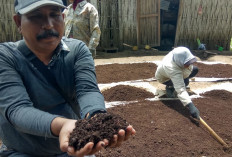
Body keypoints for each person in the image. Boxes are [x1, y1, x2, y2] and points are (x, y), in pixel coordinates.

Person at [0, 0, 135, 157]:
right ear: (18, 22)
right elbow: (17, 110)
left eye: (54, 14)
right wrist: (63, 125)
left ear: (63, 17)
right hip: (22, 152)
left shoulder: (77, 50)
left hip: (75, 148)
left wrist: (98, 117)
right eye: (36, 16)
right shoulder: (6, 57)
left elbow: (87, 90)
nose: (49, 25)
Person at [155, 47, 200, 119]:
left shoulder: (179, 56)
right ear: (180, 61)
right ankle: (170, 87)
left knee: (195, 70)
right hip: (165, 78)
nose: (189, 64)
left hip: (177, 70)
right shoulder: (171, 67)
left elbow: (188, 66)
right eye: (187, 63)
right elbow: (181, 90)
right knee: (184, 83)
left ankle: (178, 82)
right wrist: (191, 106)